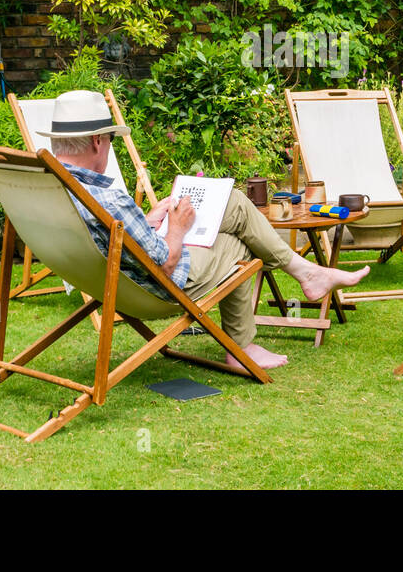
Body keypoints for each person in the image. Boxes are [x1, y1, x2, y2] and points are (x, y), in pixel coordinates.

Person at [37, 91, 370, 370]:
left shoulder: (51, 188)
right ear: (97, 141)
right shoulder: (108, 198)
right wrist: (177, 227)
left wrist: (148, 221)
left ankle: (304, 276)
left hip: (111, 281)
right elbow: (165, 263)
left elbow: (113, 239)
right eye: (109, 140)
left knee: (235, 204)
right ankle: (247, 341)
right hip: (158, 287)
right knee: (238, 238)